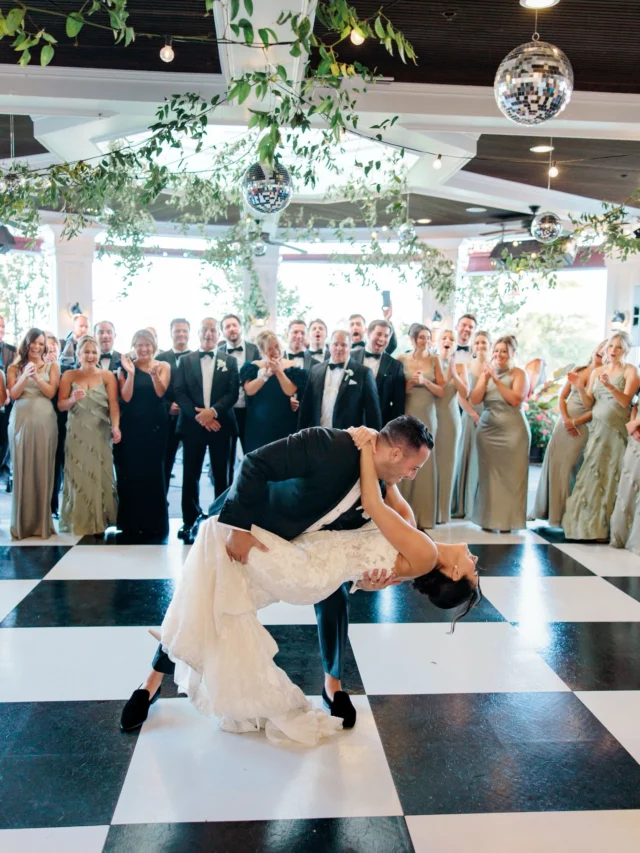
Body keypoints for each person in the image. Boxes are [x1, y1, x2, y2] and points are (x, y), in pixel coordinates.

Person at [121, 416, 481, 741]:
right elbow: (254, 462)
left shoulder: (388, 495)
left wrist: (369, 580)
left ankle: (333, 683)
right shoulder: (329, 445)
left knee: (331, 594)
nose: (412, 476)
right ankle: (151, 683)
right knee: (204, 594)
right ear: (395, 454)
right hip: (252, 521)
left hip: (306, 557)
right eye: (413, 467)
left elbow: (377, 517)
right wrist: (239, 526)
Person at [562, 332, 640, 541]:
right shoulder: (597, 371)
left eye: (619, 348)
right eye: (611, 347)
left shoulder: (631, 371)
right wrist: (579, 386)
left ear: (626, 351)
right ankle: (584, 527)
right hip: (597, 429)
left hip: (616, 430)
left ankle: (605, 530)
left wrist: (611, 386)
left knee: (610, 475)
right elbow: (589, 403)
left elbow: (626, 402)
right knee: (591, 474)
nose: (613, 351)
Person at [174, 318, 239, 543]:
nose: (209, 334)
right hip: (193, 426)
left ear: (218, 334)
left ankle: (222, 518)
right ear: (198, 333)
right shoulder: (185, 360)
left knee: (223, 475)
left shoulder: (229, 361)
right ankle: (189, 519)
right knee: (190, 474)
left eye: (213, 330)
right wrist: (200, 416)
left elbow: (233, 393)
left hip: (221, 425)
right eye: (205, 330)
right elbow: (179, 392)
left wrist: (213, 412)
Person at [532, 343, 605, 526]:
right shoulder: (579, 369)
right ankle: (544, 510)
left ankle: (564, 516)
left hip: (582, 426)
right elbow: (563, 397)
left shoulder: (604, 377)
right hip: (563, 425)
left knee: (570, 467)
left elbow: (597, 408)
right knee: (553, 464)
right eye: (600, 349)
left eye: (606, 351)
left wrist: (575, 422)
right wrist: (565, 419)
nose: (601, 353)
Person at [57, 335, 120, 536]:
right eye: (86, 352)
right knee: (79, 475)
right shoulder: (68, 375)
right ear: (78, 354)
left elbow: (114, 405)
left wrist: (116, 427)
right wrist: (72, 400)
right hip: (77, 432)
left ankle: (101, 521)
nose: (90, 356)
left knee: (101, 474)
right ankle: (79, 520)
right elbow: (60, 405)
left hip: (100, 432)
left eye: (94, 352)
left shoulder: (107, 376)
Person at [115, 330, 171, 540]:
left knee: (154, 473)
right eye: (140, 345)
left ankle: (155, 524)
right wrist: (130, 373)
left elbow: (160, 392)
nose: (144, 349)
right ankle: (131, 524)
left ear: (154, 346)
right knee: (132, 472)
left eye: (147, 345)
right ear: (134, 346)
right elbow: (126, 397)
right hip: (131, 425)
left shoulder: (163, 366)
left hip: (156, 425)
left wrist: (154, 375)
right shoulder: (125, 366)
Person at [470, 336, 530, 532]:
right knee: (489, 477)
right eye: (496, 351)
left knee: (512, 477)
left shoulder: (519, 374)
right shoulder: (486, 374)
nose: (499, 355)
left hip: (513, 432)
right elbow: (475, 399)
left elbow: (515, 399)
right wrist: (486, 378)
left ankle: (508, 523)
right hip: (487, 431)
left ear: (512, 353)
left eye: (503, 351)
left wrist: (496, 379)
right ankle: (488, 520)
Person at [6, 328, 59, 539]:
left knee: (43, 468)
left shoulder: (52, 366)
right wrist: (23, 376)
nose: (37, 347)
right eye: (33, 343)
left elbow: (51, 393)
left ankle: (42, 524)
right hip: (21, 420)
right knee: (21, 468)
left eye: (40, 343)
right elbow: (14, 394)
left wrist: (36, 377)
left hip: (45, 420)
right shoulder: (13, 367)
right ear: (26, 344)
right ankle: (22, 525)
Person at [397, 323, 445, 528]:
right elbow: (395, 390)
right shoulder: (401, 359)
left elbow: (442, 391)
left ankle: (425, 516)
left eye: (428, 337)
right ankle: (402, 514)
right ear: (413, 339)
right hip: (408, 413)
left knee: (425, 462)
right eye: (421, 337)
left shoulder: (435, 360)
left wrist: (425, 382)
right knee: (405, 457)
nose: (425, 341)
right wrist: (410, 384)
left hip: (428, 414)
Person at [298, 330, 382, 431]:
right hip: (318, 434)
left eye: (344, 345)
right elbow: (306, 407)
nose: (339, 348)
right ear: (329, 346)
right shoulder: (316, 370)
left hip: (349, 437)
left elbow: (373, 412)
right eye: (335, 344)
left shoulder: (363, 372)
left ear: (350, 346)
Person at [240, 330, 306, 453]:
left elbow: (289, 390)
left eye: (276, 346)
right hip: (258, 423)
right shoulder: (254, 366)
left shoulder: (291, 365)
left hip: (283, 421)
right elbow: (249, 390)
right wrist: (266, 375)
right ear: (262, 350)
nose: (275, 351)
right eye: (269, 348)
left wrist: (278, 371)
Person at [452, 330, 491, 519]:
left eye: (484, 342)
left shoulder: (494, 368)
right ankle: (465, 505)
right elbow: (460, 397)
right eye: (478, 342)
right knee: (469, 458)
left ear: (489, 345)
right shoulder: (466, 366)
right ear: (473, 346)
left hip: (491, 419)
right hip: (471, 417)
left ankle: (484, 506)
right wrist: (475, 415)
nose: (481, 346)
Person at [435, 329, 468, 523]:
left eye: (451, 339)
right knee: (429, 465)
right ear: (437, 342)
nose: (447, 341)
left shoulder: (462, 366)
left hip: (450, 417)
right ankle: (428, 510)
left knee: (447, 464)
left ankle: (442, 513)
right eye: (444, 338)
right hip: (431, 416)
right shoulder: (432, 361)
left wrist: (454, 372)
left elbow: (465, 393)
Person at [217, 313, 259, 461]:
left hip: (249, 410)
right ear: (222, 332)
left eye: (234, 325)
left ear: (240, 327)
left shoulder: (254, 350)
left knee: (252, 452)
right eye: (227, 326)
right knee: (225, 454)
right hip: (226, 410)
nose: (232, 329)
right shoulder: (218, 352)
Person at [156, 318, 192, 489]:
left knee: (192, 465)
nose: (181, 334)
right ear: (171, 333)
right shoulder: (160, 358)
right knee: (165, 461)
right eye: (177, 330)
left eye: (184, 330)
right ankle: (162, 501)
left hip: (191, 417)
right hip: (168, 417)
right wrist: (168, 405)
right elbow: (154, 389)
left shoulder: (196, 357)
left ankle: (191, 509)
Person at [350, 319, 405, 426]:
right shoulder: (350, 357)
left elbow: (399, 404)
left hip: (381, 424)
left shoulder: (395, 365)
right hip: (350, 422)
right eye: (379, 334)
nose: (382, 339)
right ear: (368, 333)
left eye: (386, 336)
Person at [610, 411, 640, 556]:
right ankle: (623, 534)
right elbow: (635, 403)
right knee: (628, 484)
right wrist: (633, 423)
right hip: (635, 435)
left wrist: (636, 423)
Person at [45, 334, 66, 519]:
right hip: (42, 422)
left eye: (54, 350)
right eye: (48, 349)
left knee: (63, 464)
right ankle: (49, 506)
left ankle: (65, 507)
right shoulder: (38, 371)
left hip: (64, 424)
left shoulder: (66, 370)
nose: (51, 353)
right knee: (49, 466)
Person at [0, 315, 16, 485]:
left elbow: (14, 374)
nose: (1, 330)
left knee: (6, 437)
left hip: (7, 402)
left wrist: (7, 392)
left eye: (3, 326)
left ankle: (4, 470)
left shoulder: (11, 351)